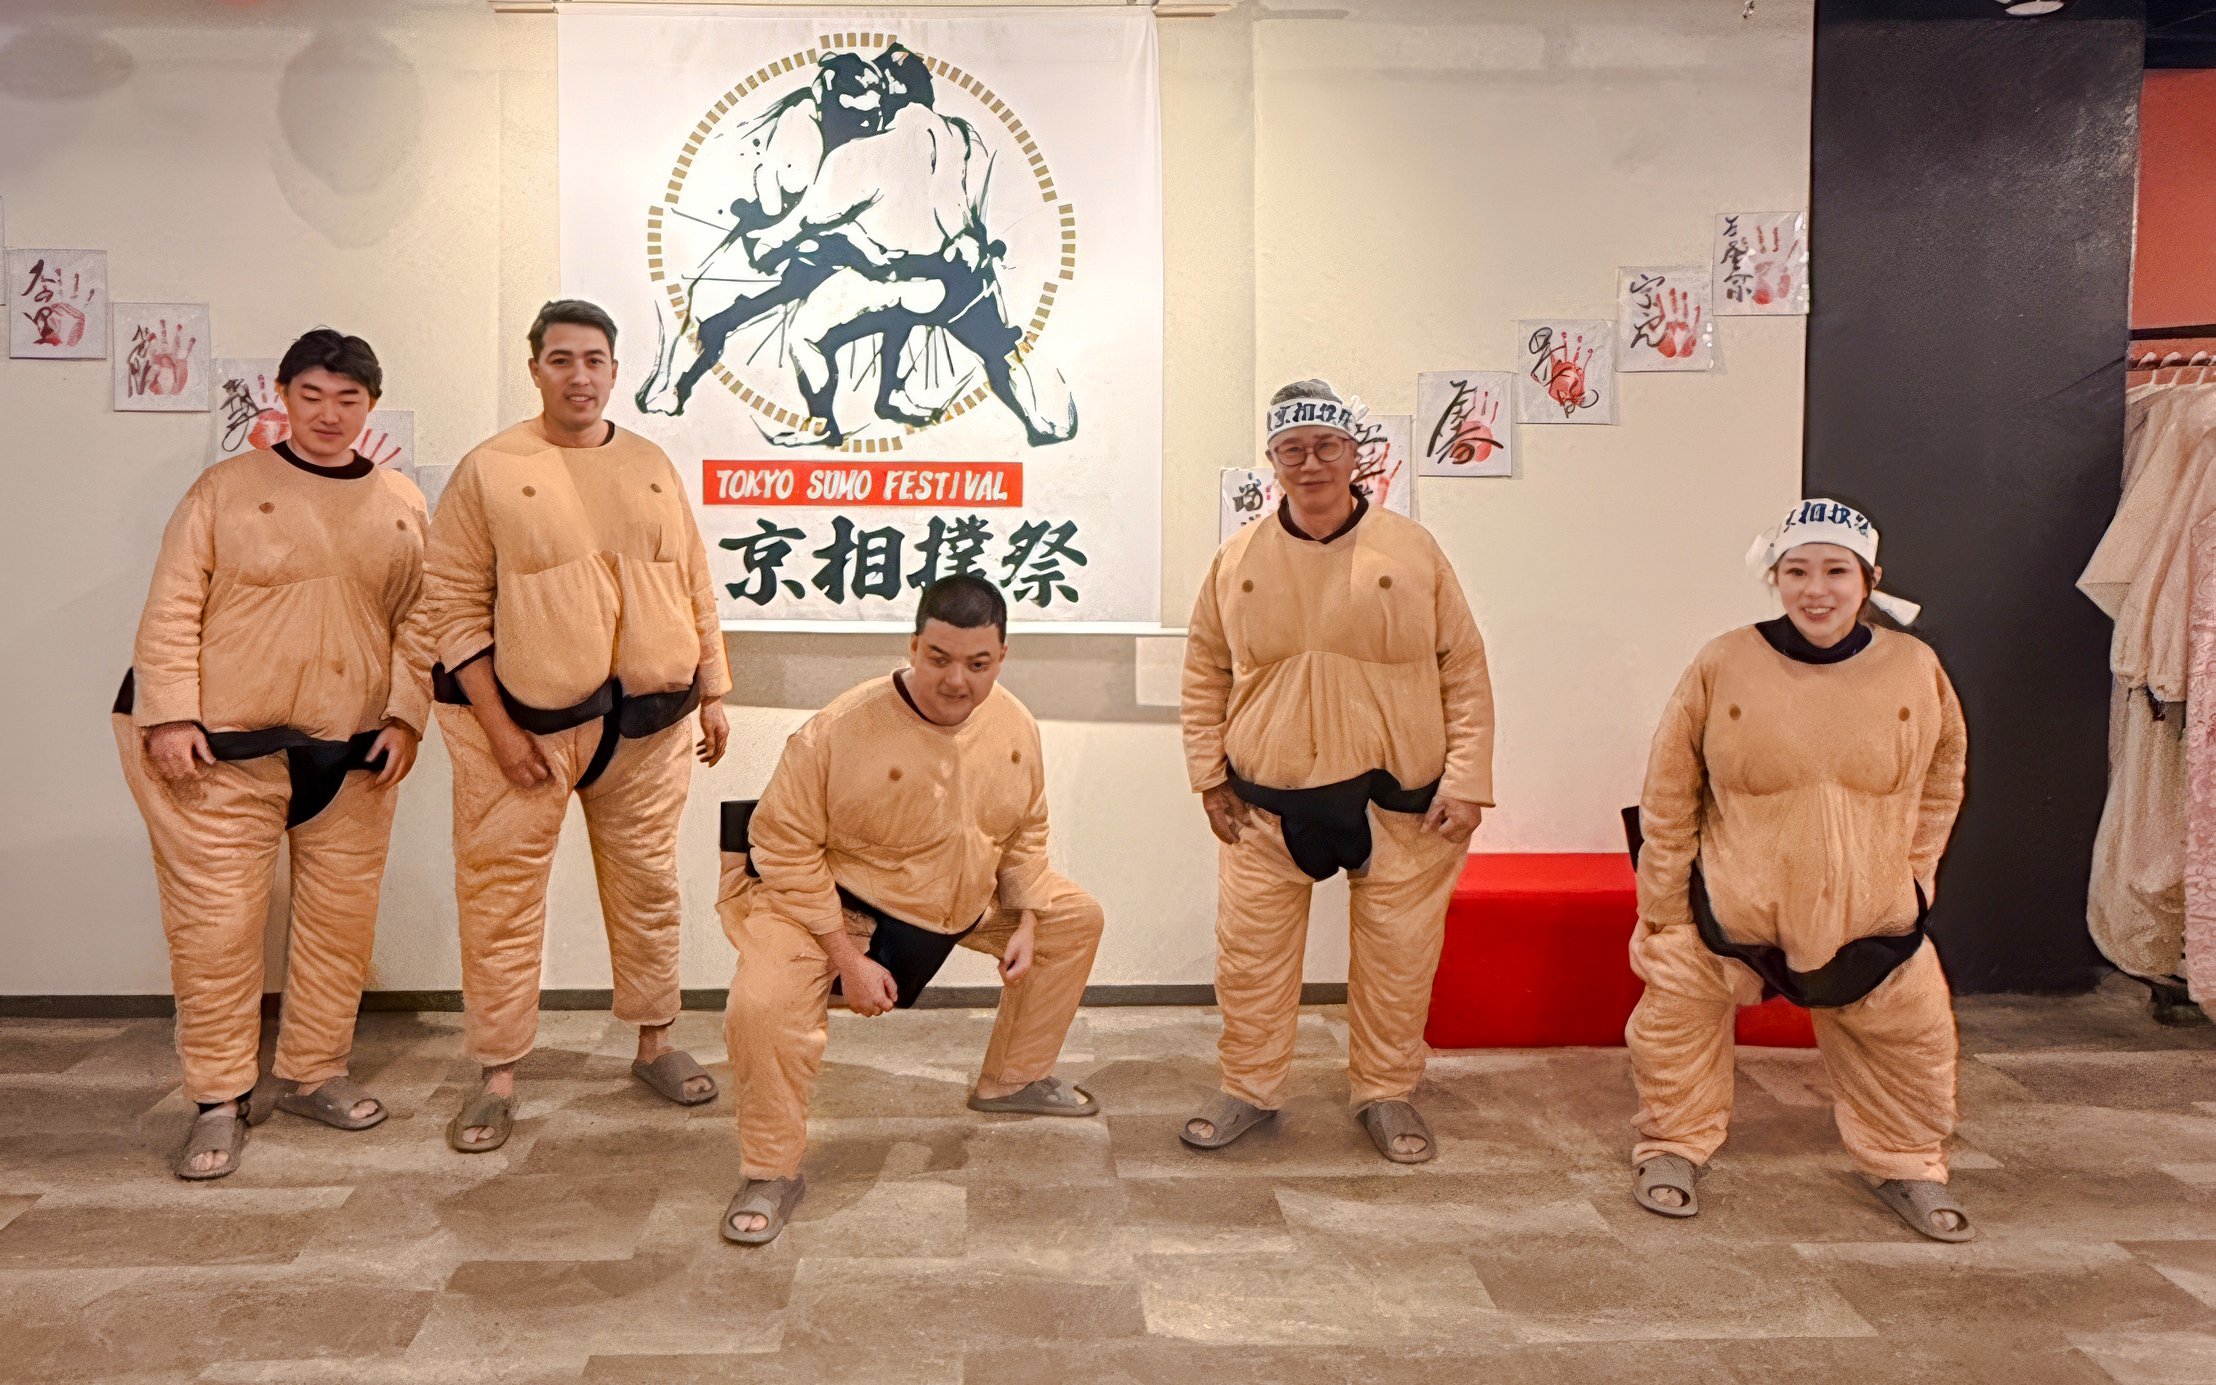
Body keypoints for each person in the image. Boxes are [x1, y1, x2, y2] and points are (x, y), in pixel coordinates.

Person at [415, 299, 732, 1153]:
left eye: (594, 359)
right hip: (519, 729)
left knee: (649, 886)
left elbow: (692, 579)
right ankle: (498, 1069)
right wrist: (499, 728)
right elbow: (449, 607)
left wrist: (716, 687)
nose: (579, 375)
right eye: (561, 359)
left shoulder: (652, 463)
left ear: (615, 370)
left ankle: (655, 1038)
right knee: (500, 896)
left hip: (650, 724)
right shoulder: (490, 468)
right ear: (535, 370)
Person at [114, 328, 428, 1179]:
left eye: (349, 398)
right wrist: (169, 713)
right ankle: (218, 1098)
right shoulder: (224, 488)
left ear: (370, 404)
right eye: (313, 395)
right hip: (220, 748)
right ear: (282, 396)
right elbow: (173, 604)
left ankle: (313, 1072)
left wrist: (404, 717)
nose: (330, 414)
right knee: (217, 928)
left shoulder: (402, 498)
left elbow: (420, 625)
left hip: (354, 748)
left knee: (339, 925)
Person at [717, 575, 1105, 1244]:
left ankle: (1012, 1079)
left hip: (960, 898)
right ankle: (769, 1169)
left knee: (1077, 917)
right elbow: (780, 846)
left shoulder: (1014, 722)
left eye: (978, 663)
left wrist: (1031, 919)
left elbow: (1025, 832)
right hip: (837, 903)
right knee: (761, 1004)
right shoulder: (839, 728)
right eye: (939, 658)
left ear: (1002, 657)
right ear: (914, 646)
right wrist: (847, 955)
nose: (957, 680)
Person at [1626, 499, 1973, 1242]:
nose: (1817, 589)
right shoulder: (1723, 661)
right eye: (1798, 571)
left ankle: (1909, 1161)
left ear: (1869, 579)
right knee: (1673, 1024)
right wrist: (1662, 902)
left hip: (1871, 908)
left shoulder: (1915, 667)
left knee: (1915, 1038)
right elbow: (1668, 786)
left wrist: (1915, 879)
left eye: (1836, 571)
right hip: (1731, 900)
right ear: (1775, 577)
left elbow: (1944, 781)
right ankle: (1673, 1146)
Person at [1178, 379, 1494, 1165]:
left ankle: (1386, 1091)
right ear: (1273, 462)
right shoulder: (1236, 558)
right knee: (1247, 960)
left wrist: (1468, 776)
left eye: (1327, 446)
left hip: (1402, 801)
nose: (1311, 462)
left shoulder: (1413, 550)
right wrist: (1207, 775)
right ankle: (1248, 1087)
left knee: (1398, 961)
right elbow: (1203, 670)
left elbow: (1464, 666)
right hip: (1264, 803)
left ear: (1356, 455)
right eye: (1293, 449)